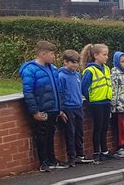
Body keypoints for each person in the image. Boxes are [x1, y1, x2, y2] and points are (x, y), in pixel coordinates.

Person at [20, 41, 65, 172]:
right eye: (51, 54)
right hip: (42, 109)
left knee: (51, 134)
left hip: (53, 108)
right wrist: (35, 111)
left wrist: (60, 108)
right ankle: (43, 162)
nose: (53, 57)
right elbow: (28, 92)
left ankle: (52, 159)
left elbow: (58, 89)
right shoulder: (30, 70)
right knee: (42, 135)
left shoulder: (53, 69)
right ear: (43, 53)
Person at [55, 49, 89, 167]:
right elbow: (60, 93)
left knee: (79, 131)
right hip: (68, 108)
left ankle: (80, 154)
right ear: (65, 62)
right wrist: (61, 110)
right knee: (70, 132)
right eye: (72, 62)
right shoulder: (61, 76)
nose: (75, 65)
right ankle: (71, 157)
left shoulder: (77, 74)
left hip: (78, 106)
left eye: (76, 62)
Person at [80, 44, 113, 163]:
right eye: (104, 55)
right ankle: (96, 152)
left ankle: (105, 151)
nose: (106, 57)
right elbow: (84, 87)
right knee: (98, 127)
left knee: (105, 127)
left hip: (106, 101)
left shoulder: (107, 68)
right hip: (96, 102)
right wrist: (90, 98)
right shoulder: (90, 70)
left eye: (107, 54)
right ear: (95, 55)